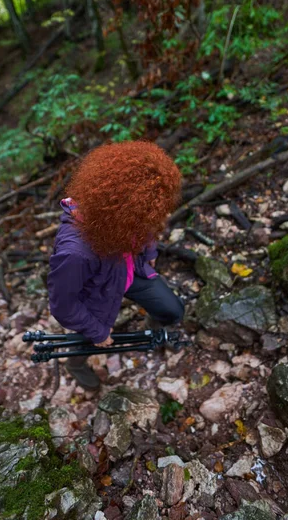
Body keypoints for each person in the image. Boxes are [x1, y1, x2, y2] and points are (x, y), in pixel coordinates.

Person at [47, 140, 185, 390]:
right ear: (119, 208)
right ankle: (76, 364)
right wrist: (97, 331)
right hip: (95, 290)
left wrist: (150, 248)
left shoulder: (129, 210)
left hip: (129, 271)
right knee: (90, 337)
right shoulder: (75, 253)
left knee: (173, 310)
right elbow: (63, 305)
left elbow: (147, 223)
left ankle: (152, 332)